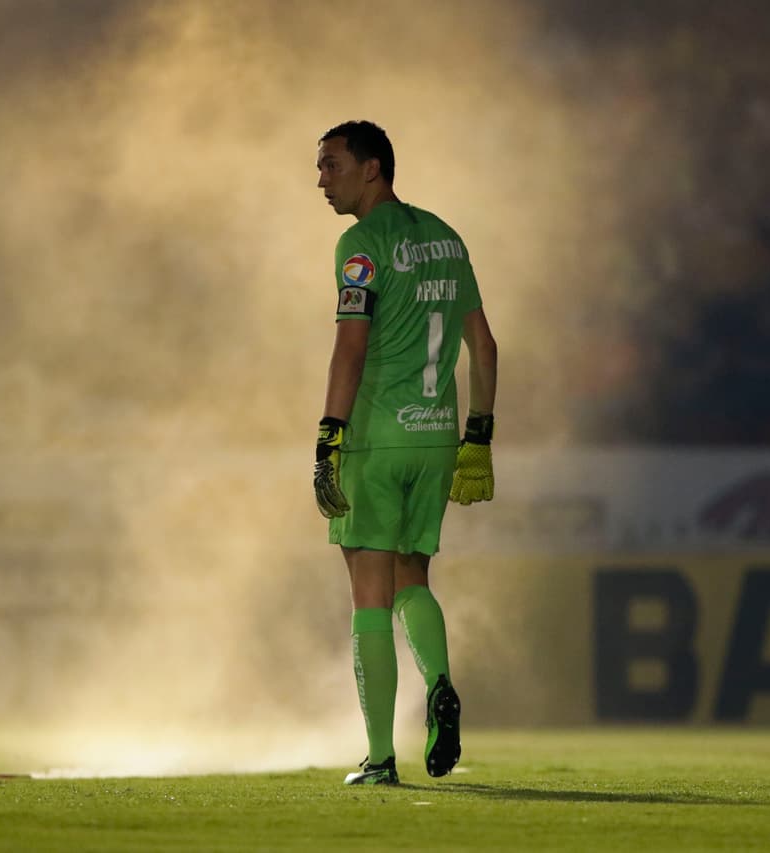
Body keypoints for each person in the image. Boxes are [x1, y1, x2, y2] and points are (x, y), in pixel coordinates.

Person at [312, 120, 498, 786]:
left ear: (373, 168)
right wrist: (479, 434)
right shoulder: (447, 238)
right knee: (413, 581)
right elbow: (486, 346)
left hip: (379, 435)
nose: (321, 180)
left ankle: (381, 757)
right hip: (437, 437)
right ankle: (441, 681)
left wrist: (330, 432)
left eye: (332, 165)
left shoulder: (359, 246)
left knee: (368, 594)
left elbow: (352, 346)